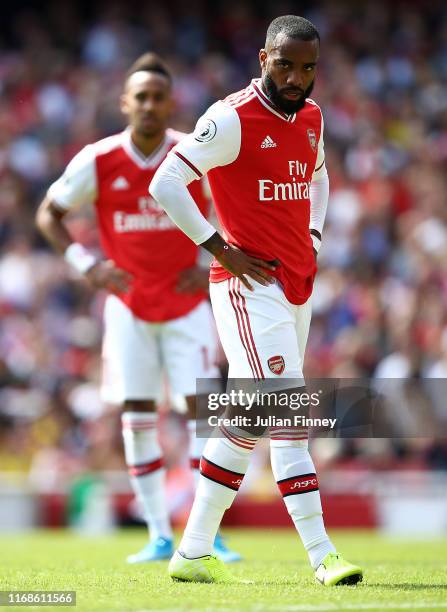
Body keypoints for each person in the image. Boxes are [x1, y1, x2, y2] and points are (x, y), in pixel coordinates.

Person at [150, 15, 364, 585]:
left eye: (309, 67)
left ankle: (193, 551)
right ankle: (323, 555)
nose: (298, 78)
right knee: (289, 409)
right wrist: (219, 247)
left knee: (247, 418)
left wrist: (314, 235)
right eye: (287, 65)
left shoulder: (312, 118)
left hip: (297, 285)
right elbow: (166, 183)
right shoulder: (230, 118)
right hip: (249, 288)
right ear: (264, 58)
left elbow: (317, 179)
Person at [35, 53, 240, 564]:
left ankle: (205, 532)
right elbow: (49, 213)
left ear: (172, 104)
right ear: (125, 103)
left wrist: (210, 259)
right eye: (140, 97)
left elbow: (233, 206)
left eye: (158, 97)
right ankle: (157, 533)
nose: (150, 105)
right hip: (127, 306)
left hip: (187, 305)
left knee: (201, 415)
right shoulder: (99, 159)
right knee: (138, 412)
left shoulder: (191, 154)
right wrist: (87, 266)